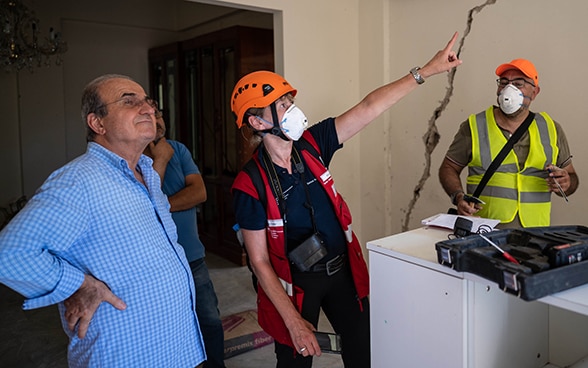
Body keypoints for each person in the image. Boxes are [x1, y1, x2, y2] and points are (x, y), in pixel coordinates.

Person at [230, 33, 462, 367]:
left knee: (364, 349)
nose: (292, 109)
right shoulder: (250, 184)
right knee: (296, 358)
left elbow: (370, 107)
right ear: (257, 121)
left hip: (341, 272)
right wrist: (294, 322)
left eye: (289, 101)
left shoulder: (312, 145)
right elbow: (260, 261)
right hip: (298, 283)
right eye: (281, 105)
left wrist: (425, 71)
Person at [0, 74, 206, 367]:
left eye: (148, 101)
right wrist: (78, 285)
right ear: (98, 123)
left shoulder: (146, 172)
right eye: (129, 101)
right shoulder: (78, 181)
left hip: (174, 347)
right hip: (126, 355)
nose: (148, 108)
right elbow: (10, 254)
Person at [439, 58, 579, 228]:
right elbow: (448, 168)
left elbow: (571, 178)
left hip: (535, 235)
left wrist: (566, 183)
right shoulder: (474, 126)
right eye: (503, 82)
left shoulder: (551, 129)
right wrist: (459, 196)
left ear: (534, 92)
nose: (508, 89)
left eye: (518, 83)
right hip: (485, 233)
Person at [144, 110, 226, 368]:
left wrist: (161, 205)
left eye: (158, 115)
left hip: (193, 256)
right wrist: (160, 160)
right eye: (148, 116)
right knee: (166, 327)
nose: (157, 121)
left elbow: (199, 192)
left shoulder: (178, 149)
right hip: (156, 264)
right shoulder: (130, 159)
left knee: (209, 319)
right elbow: (139, 210)